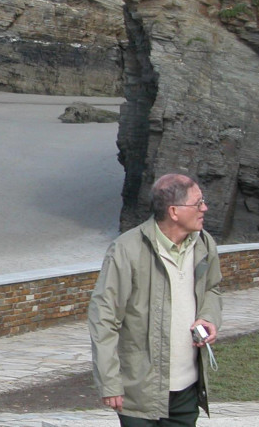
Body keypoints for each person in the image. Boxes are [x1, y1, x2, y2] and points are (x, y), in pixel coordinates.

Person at [88, 173, 222, 426]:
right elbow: (104, 318)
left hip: (187, 392)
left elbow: (212, 289)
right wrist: (110, 382)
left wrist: (208, 317)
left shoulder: (205, 244)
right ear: (174, 211)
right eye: (198, 202)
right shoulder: (126, 250)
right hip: (139, 393)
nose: (204, 208)